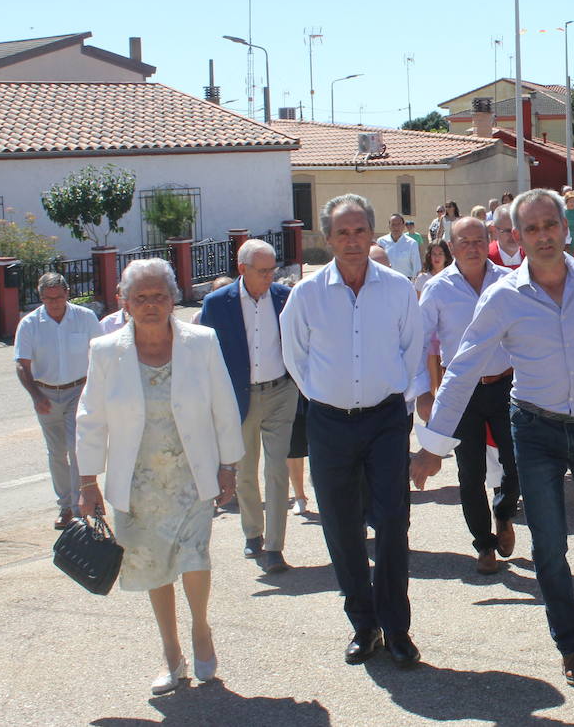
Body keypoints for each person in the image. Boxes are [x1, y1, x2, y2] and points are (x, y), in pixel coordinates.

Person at [411, 189, 574, 687]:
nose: (543, 235)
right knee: (548, 545)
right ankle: (573, 646)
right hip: (534, 430)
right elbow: (461, 369)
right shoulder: (503, 296)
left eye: (550, 224)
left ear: (566, 229)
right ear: (517, 238)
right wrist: (432, 444)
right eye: (531, 229)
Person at [75, 258, 243, 693]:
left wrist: (229, 466)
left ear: (173, 298)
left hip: (191, 473)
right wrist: (87, 480)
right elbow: (91, 417)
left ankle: (201, 629)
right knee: (153, 565)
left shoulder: (201, 341)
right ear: (125, 303)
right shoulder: (105, 351)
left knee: (194, 557)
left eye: (160, 296)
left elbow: (223, 406)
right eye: (141, 298)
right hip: (137, 481)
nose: (151, 305)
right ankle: (172, 653)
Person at [279, 193, 426, 670]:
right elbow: (294, 356)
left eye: (359, 230)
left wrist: (396, 398)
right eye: (341, 232)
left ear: (372, 233)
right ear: (327, 239)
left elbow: (411, 348)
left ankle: (397, 627)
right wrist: (325, 392)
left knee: (391, 524)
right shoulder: (307, 294)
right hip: (329, 423)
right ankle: (363, 625)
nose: (351, 240)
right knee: (341, 527)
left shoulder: (398, 289)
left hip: (385, 420)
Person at [413, 217, 520, 574]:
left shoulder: (508, 280)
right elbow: (421, 342)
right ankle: (484, 544)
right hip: (462, 392)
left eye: (478, 240)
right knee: (469, 471)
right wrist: (424, 393)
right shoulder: (438, 289)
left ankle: (504, 512)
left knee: (516, 460)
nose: (472, 248)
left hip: (506, 385)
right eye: (464, 242)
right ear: (451, 247)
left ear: (488, 240)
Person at [197, 238, 298, 575]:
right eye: (263, 271)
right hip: (239, 397)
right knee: (246, 470)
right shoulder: (216, 304)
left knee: (277, 468)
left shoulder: (285, 298)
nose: (270, 277)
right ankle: (252, 532)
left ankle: (274, 547)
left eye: (273, 270)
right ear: (242, 270)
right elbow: (206, 356)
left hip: (281, 393)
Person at [15, 271, 102, 530]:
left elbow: (99, 355)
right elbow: (22, 364)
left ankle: (78, 508)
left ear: (67, 294)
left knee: (77, 449)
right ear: (40, 297)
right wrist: (36, 395)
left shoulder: (85, 318)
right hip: (46, 394)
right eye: (48, 298)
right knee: (57, 452)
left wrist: (93, 389)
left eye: (59, 297)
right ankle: (64, 506)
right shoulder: (30, 324)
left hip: (79, 390)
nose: (54, 303)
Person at [378, 212, 422, 279]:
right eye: (393, 224)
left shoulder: (412, 243)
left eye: (399, 224)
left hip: (405, 282)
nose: (396, 227)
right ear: (389, 226)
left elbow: (417, 267)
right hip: (386, 281)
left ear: (404, 226)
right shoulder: (381, 242)